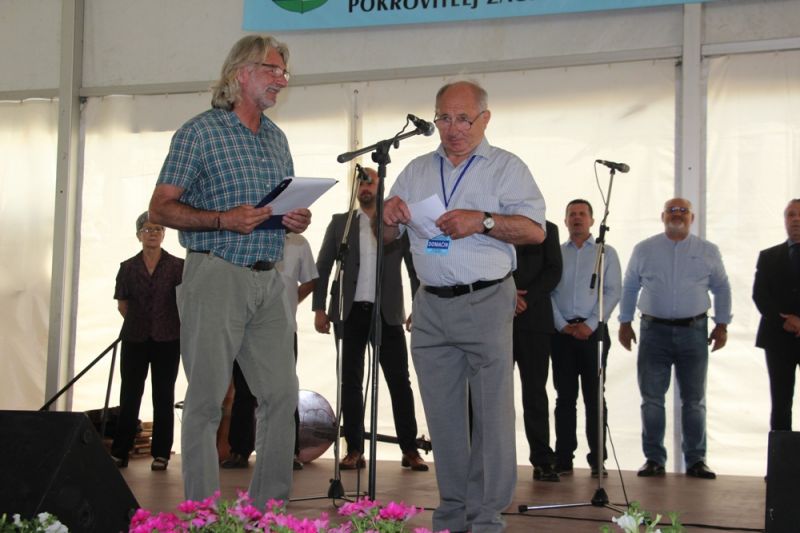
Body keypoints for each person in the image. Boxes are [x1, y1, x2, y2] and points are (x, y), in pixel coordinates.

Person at [148, 34, 311, 507]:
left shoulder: (277, 139)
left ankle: (269, 508)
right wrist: (223, 220)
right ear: (242, 73)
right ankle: (202, 512)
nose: (281, 80)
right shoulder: (199, 133)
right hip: (216, 275)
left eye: (284, 72)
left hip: (269, 278)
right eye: (272, 70)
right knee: (206, 400)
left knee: (282, 395)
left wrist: (295, 218)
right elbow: (160, 208)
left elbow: (279, 204)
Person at [383, 80, 546, 533]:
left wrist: (484, 221)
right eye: (444, 118)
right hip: (430, 306)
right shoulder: (415, 170)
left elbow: (535, 231)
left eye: (463, 118)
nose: (453, 128)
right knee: (443, 418)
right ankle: (452, 513)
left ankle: (487, 516)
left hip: (486, 300)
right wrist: (387, 216)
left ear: (485, 119)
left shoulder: (506, 168)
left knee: (492, 416)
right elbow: (386, 236)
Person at [313, 167, 427, 472]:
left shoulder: (396, 225)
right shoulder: (341, 224)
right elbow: (323, 266)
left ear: (381, 186)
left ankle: (410, 449)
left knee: (399, 381)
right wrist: (320, 308)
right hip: (349, 313)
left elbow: (415, 268)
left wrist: (419, 305)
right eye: (361, 182)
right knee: (350, 382)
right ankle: (354, 449)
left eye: (371, 182)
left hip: (387, 313)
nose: (365, 187)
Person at [619, 197, 731, 480]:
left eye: (683, 211)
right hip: (653, 332)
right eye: (672, 210)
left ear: (692, 217)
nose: (677, 214)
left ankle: (696, 460)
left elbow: (722, 288)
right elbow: (630, 286)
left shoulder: (708, 251)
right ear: (662, 216)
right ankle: (654, 460)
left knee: (694, 400)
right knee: (652, 399)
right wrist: (624, 322)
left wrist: (722, 325)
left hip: (694, 332)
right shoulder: (644, 249)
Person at [221, 232, 318, 471]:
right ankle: (239, 450)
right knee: (244, 389)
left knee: (284, 389)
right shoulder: (249, 235)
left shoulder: (299, 242)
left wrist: (292, 301)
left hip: (284, 327)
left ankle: (288, 452)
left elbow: (310, 280)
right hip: (246, 325)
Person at [550, 199, 621, 478]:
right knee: (564, 398)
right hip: (562, 334)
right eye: (572, 214)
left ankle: (597, 459)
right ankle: (563, 458)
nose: (577, 218)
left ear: (592, 220)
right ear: (565, 221)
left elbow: (612, 291)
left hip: (594, 335)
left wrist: (590, 325)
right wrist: (561, 325)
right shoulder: (556, 254)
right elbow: (549, 292)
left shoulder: (605, 253)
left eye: (582, 214)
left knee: (594, 397)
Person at [110, 211, 183, 471]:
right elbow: (123, 304)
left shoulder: (178, 266)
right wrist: (141, 323)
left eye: (158, 229)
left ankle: (161, 453)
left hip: (168, 339)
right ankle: (120, 452)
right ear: (138, 234)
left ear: (164, 234)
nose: (153, 233)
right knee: (130, 395)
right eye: (148, 229)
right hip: (135, 339)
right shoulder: (127, 267)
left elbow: (185, 303)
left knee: (163, 395)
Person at [512, 220, 562, 482]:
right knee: (490, 394)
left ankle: (542, 459)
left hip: (535, 321)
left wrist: (525, 299)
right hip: (496, 320)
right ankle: (487, 458)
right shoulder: (493, 224)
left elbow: (554, 270)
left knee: (535, 394)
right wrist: (508, 295)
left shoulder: (547, 228)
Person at [753, 199, 800, 432]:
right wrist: (784, 321)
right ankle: (781, 455)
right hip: (778, 338)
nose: (796, 220)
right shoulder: (769, 256)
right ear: (784, 220)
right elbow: (760, 296)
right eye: (791, 215)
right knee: (781, 403)